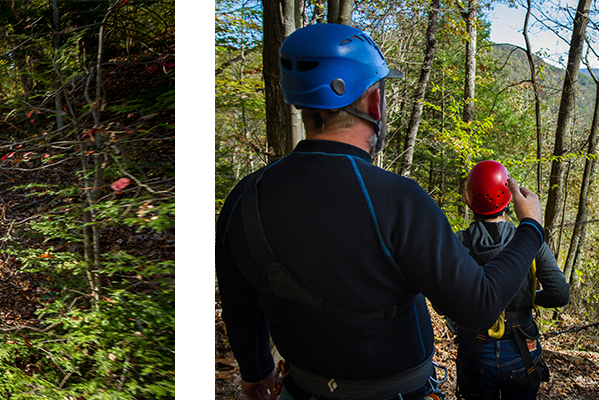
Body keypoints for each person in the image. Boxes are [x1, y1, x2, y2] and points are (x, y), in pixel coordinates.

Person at [215, 23, 549, 400]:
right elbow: (480, 305)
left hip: (300, 388)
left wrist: (257, 371)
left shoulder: (245, 199)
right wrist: (531, 226)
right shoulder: (399, 200)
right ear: (374, 102)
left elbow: (239, 305)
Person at [450, 160, 569, 400]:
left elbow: (443, 300)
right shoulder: (528, 241)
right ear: (510, 200)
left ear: (468, 199)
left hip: (475, 352)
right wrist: (530, 297)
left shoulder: (456, 243)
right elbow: (559, 294)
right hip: (522, 349)